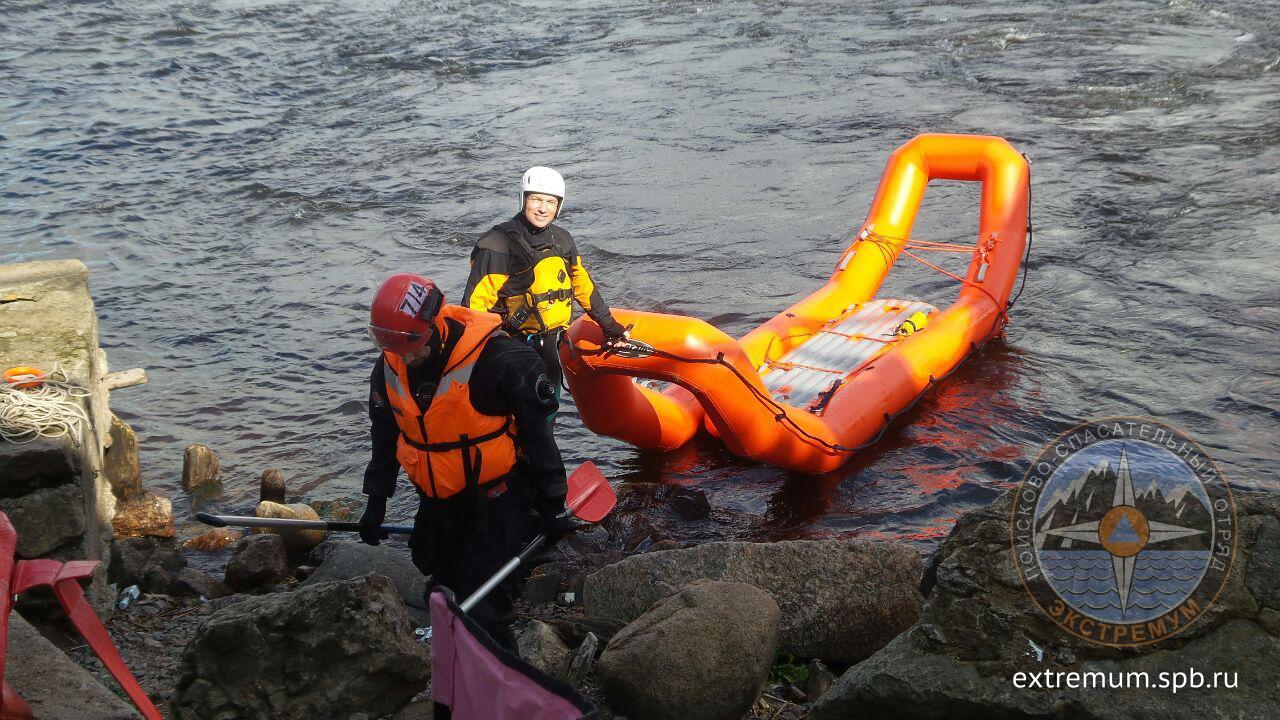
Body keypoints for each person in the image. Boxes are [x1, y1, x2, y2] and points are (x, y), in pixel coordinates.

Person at [358, 272, 574, 650]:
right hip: (439, 501)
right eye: (396, 350)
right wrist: (376, 501)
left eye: (413, 347)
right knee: (442, 592)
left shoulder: (501, 359)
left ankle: (498, 682)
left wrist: (554, 503)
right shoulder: (392, 362)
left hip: (499, 497)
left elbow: (538, 435)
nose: (406, 358)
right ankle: (456, 670)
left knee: (485, 606)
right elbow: (385, 435)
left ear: (434, 325)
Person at [462, 166, 628, 403]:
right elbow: (472, 310)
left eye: (550, 202)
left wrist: (611, 327)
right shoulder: (497, 245)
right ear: (523, 199)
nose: (543, 208)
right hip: (511, 348)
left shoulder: (562, 240)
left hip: (549, 347)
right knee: (520, 420)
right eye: (536, 199)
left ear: (558, 206)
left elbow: (583, 286)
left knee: (547, 411)